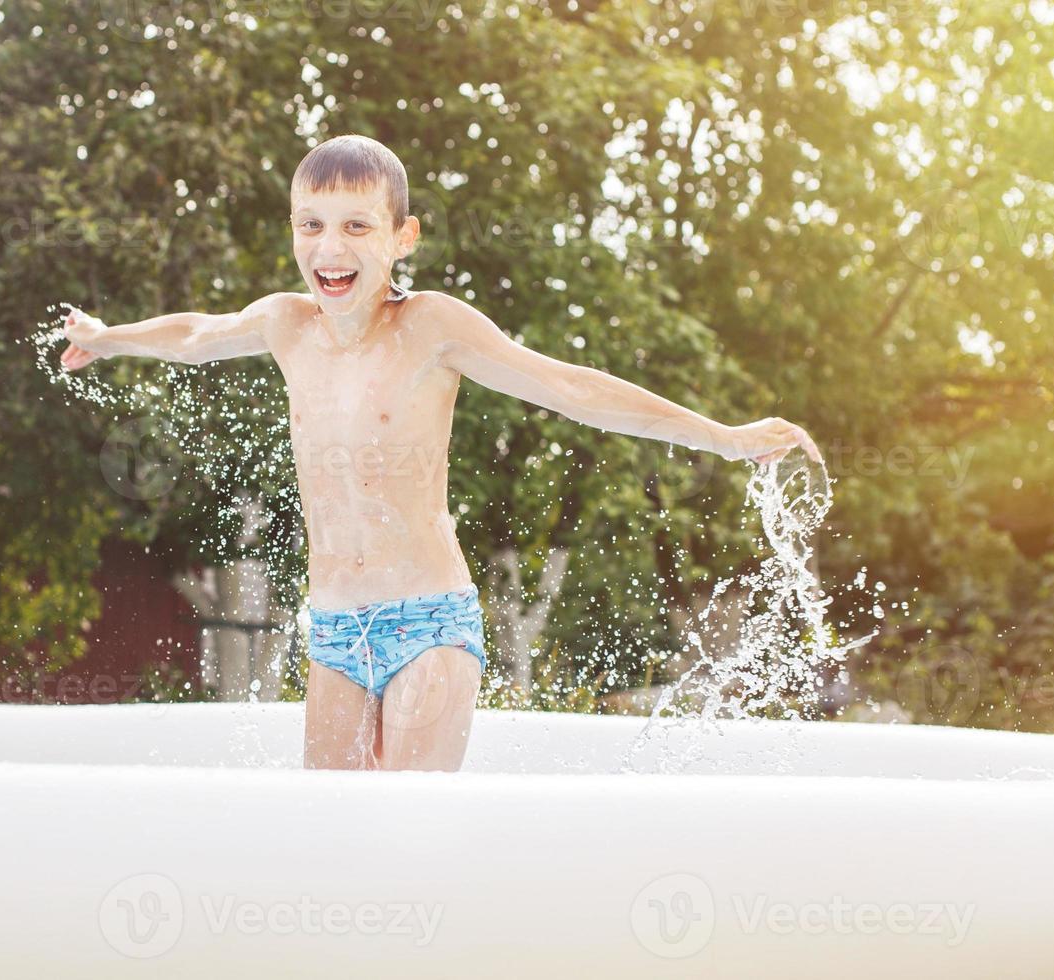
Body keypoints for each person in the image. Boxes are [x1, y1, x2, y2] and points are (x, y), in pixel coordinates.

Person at [59, 134, 820, 772]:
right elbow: (195, 334)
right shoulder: (285, 325)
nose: (329, 248)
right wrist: (106, 337)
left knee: (403, 841)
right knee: (330, 843)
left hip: (428, 623)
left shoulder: (430, 328)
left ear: (402, 237)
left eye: (357, 227)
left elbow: (570, 387)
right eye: (310, 225)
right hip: (332, 632)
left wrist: (722, 437)